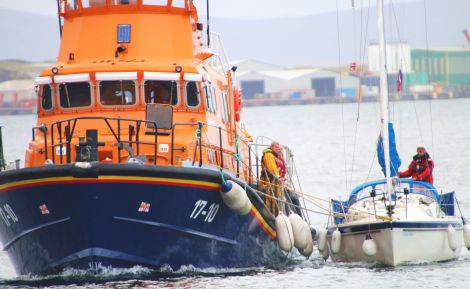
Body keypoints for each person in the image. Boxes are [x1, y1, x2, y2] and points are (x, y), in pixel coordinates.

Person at [260, 142, 283, 216]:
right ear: (272, 147)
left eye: (279, 148)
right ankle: (274, 216)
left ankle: (275, 214)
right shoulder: (269, 156)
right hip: (271, 182)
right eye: (276, 148)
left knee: (275, 199)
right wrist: (278, 177)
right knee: (274, 199)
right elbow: (272, 169)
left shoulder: (274, 156)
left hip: (273, 181)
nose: (278, 149)